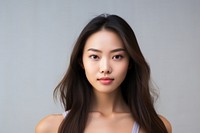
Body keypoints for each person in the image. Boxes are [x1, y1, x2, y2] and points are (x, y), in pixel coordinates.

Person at [35, 14, 172, 133]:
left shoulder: (157, 127)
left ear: (130, 62)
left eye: (117, 56)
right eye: (94, 56)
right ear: (81, 62)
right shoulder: (51, 128)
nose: (105, 68)